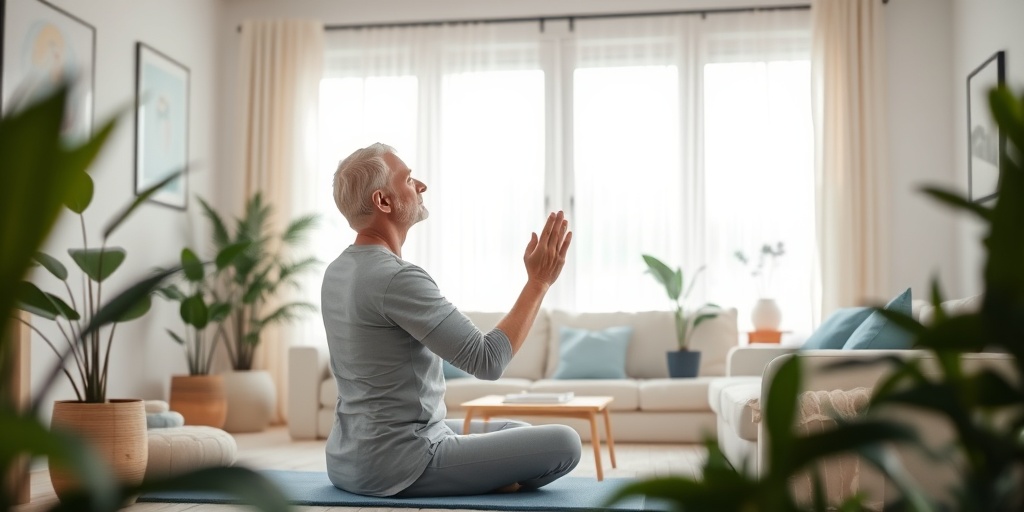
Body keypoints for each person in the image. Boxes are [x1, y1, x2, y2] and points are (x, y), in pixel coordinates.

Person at [321, 143, 582, 498]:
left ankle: (490, 476)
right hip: (399, 463)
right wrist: (538, 283)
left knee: (518, 430)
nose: (421, 186)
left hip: (347, 460)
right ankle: (487, 480)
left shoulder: (337, 271)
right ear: (383, 201)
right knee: (565, 443)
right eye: (409, 179)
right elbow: (487, 360)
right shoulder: (396, 277)